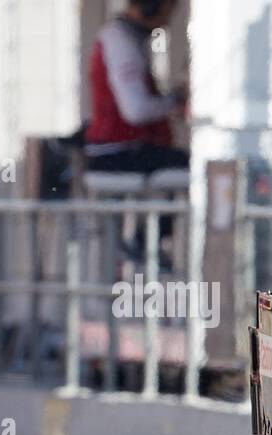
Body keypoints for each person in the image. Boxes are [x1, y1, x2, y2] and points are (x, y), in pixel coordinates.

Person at [83, 0, 188, 250]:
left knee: (183, 164)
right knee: (195, 170)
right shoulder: (120, 40)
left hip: (120, 149)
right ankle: (144, 243)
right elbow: (136, 110)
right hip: (116, 152)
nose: (168, 18)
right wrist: (174, 103)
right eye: (168, 9)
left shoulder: (127, 38)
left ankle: (147, 242)